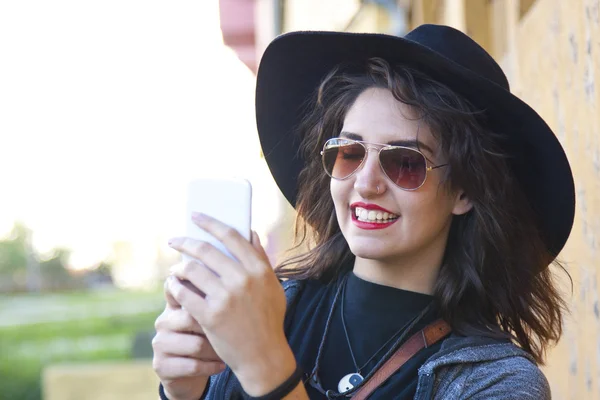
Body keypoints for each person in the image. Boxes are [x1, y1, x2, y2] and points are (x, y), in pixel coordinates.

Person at [151, 24, 575, 399]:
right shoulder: (271, 308)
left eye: (405, 162)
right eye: (349, 153)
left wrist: (267, 365)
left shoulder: (497, 382)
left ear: (464, 191)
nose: (366, 182)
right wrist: (186, 392)